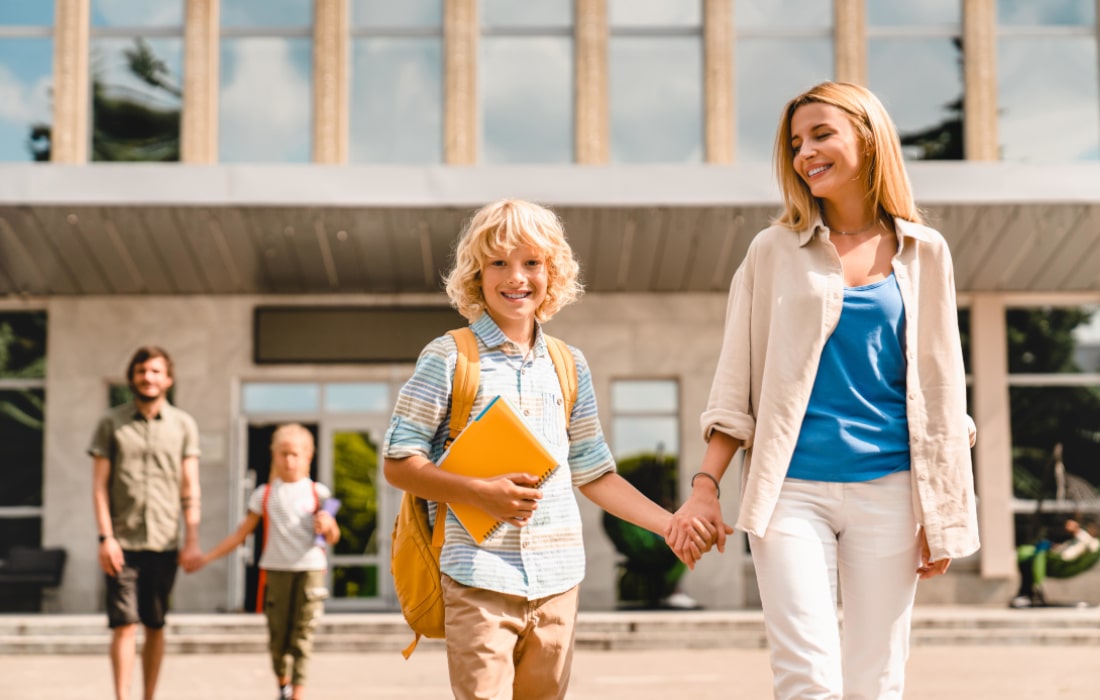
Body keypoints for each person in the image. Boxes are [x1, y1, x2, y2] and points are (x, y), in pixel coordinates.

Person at [666, 81, 980, 699]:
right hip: (790, 492)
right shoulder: (772, 251)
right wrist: (706, 486)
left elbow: (944, 393)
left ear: (867, 137)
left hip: (891, 490)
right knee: (806, 676)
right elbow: (737, 380)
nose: (805, 152)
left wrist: (942, 511)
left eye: (820, 134)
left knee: (876, 679)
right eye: (795, 143)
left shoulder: (926, 254)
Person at [383, 199, 713, 700]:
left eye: (531, 262)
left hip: (559, 582)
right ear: (476, 273)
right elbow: (399, 462)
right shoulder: (449, 356)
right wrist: (477, 491)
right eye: (499, 263)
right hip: (478, 576)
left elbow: (595, 473)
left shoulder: (569, 364)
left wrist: (668, 524)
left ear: (551, 272)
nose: (516, 277)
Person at [195, 423, 339, 700]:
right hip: (275, 571)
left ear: (308, 456)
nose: (289, 460)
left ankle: (298, 693)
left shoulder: (318, 493)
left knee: (303, 635)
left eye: (295, 454)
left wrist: (327, 524)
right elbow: (241, 534)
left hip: (309, 570)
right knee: (278, 637)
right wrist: (206, 557)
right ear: (274, 455)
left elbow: (332, 536)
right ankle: (283, 686)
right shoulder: (264, 494)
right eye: (283, 454)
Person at [90, 346, 202, 700]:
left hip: (164, 540)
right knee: (124, 624)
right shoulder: (111, 422)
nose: (148, 378)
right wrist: (105, 537)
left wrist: (192, 539)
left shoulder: (184, 425)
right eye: (141, 371)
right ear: (131, 377)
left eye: (155, 371)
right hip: (121, 542)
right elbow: (99, 487)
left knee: (155, 624)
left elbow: (190, 486)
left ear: (167, 379)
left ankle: (148, 696)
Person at [1012, 518, 1100, 608]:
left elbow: (1070, 554)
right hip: (1058, 557)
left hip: (1061, 561)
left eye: (1071, 524)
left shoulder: (1086, 538)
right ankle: (1027, 593)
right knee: (1028, 558)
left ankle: (1026, 593)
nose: (1067, 526)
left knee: (1030, 560)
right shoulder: (1075, 538)